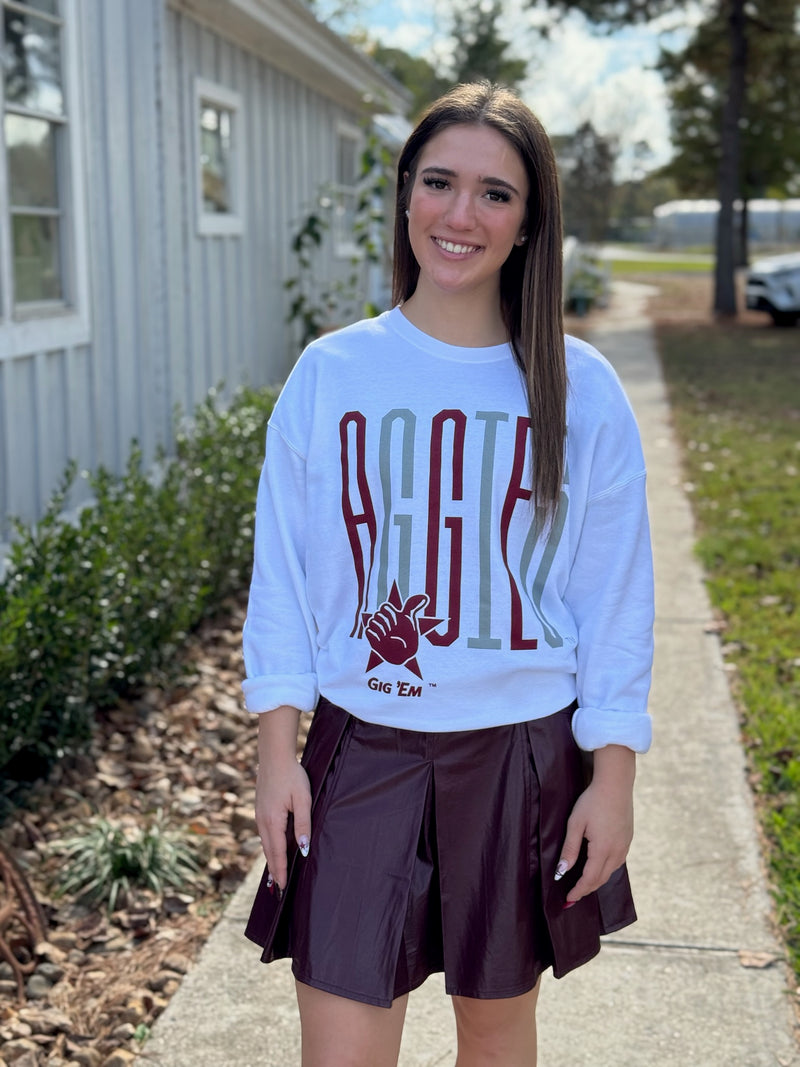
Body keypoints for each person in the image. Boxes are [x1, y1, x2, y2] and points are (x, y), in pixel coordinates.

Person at [242, 81, 654, 1067]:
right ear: (404, 196)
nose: (459, 215)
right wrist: (275, 750)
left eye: (494, 193)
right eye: (437, 182)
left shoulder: (579, 386)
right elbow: (285, 576)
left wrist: (613, 775)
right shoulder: (332, 373)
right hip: (361, 752)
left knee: (495, 1032)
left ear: (529, 222)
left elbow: (613, 595)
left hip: (518, 755)